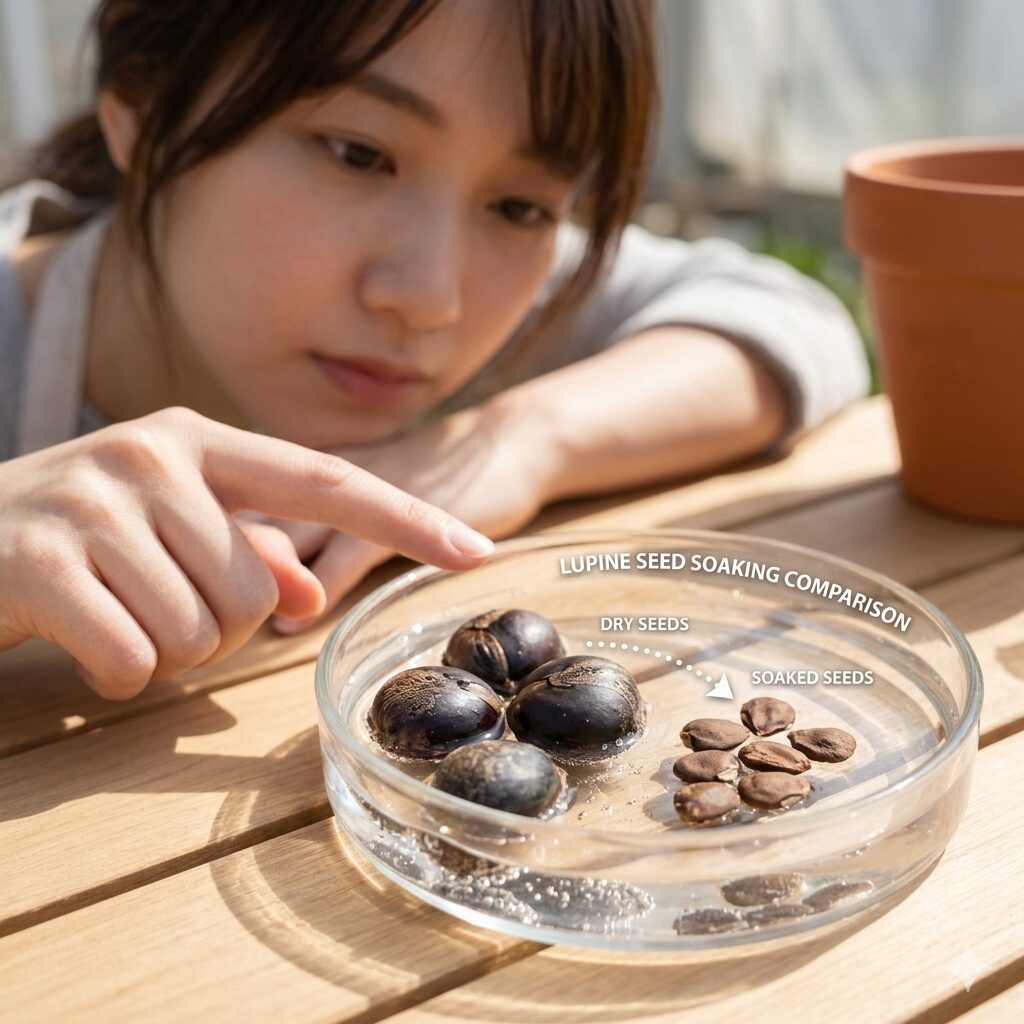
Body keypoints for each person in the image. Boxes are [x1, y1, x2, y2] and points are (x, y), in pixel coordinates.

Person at [0, 0, 869, 700]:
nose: (429, 299)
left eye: (521, 206)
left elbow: (795, 320)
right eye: (358, 153)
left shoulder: (527, 283)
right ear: (145, 111)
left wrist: (516, 440)